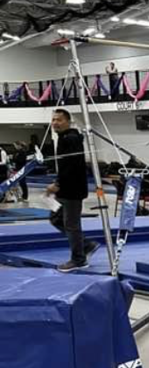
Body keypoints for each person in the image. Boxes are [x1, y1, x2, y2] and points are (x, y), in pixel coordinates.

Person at [45, 110, 99, 271]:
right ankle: (86, 245)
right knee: (55, 218)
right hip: (64, 189)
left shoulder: (71, 139)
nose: (55, 123)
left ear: (68, 122)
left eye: (59, 120)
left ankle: (79, 260)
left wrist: (58, 183)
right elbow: (64, 165)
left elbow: (73, 165)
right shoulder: (62, 138)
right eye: (53, 120)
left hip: (72, 190)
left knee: (71, 225)